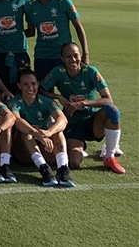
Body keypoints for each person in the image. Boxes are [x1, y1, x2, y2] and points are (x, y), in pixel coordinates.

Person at [39, 42, 124, 174]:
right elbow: (40, 90)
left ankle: (109, 156)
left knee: (112, 110)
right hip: (72, 123)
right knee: (74, 163)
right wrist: (57, 96)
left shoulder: (90, 71)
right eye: (68, 56)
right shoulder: (58, 72)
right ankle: (74, 145)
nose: (73, 59)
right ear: (62, 59)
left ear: (80, 56)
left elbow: (108, 99)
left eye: (75, 55)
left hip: (92, 121)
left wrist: (84, 103)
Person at [8, 68, 74, 187]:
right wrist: (38, 133)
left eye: (33, 84)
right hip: (23, 152)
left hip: (45, 146)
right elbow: (17, 120)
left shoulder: (46, 101)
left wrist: (48, 132)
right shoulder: (14, 102)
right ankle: (44, 170)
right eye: (25, 84)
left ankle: (63, 169)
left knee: (57, 130)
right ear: (19, 85)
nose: (30, 88)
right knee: (25, 132)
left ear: (38, 84)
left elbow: (63, 119)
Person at [25, 0, 89, 82]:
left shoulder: (63, 2)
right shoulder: (30, 6)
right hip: (42, 57)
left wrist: (85, 53)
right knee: (45, 94)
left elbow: (79, 28)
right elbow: (30, 32)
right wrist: (11, 33)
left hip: (65, 56)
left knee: (69, 91)